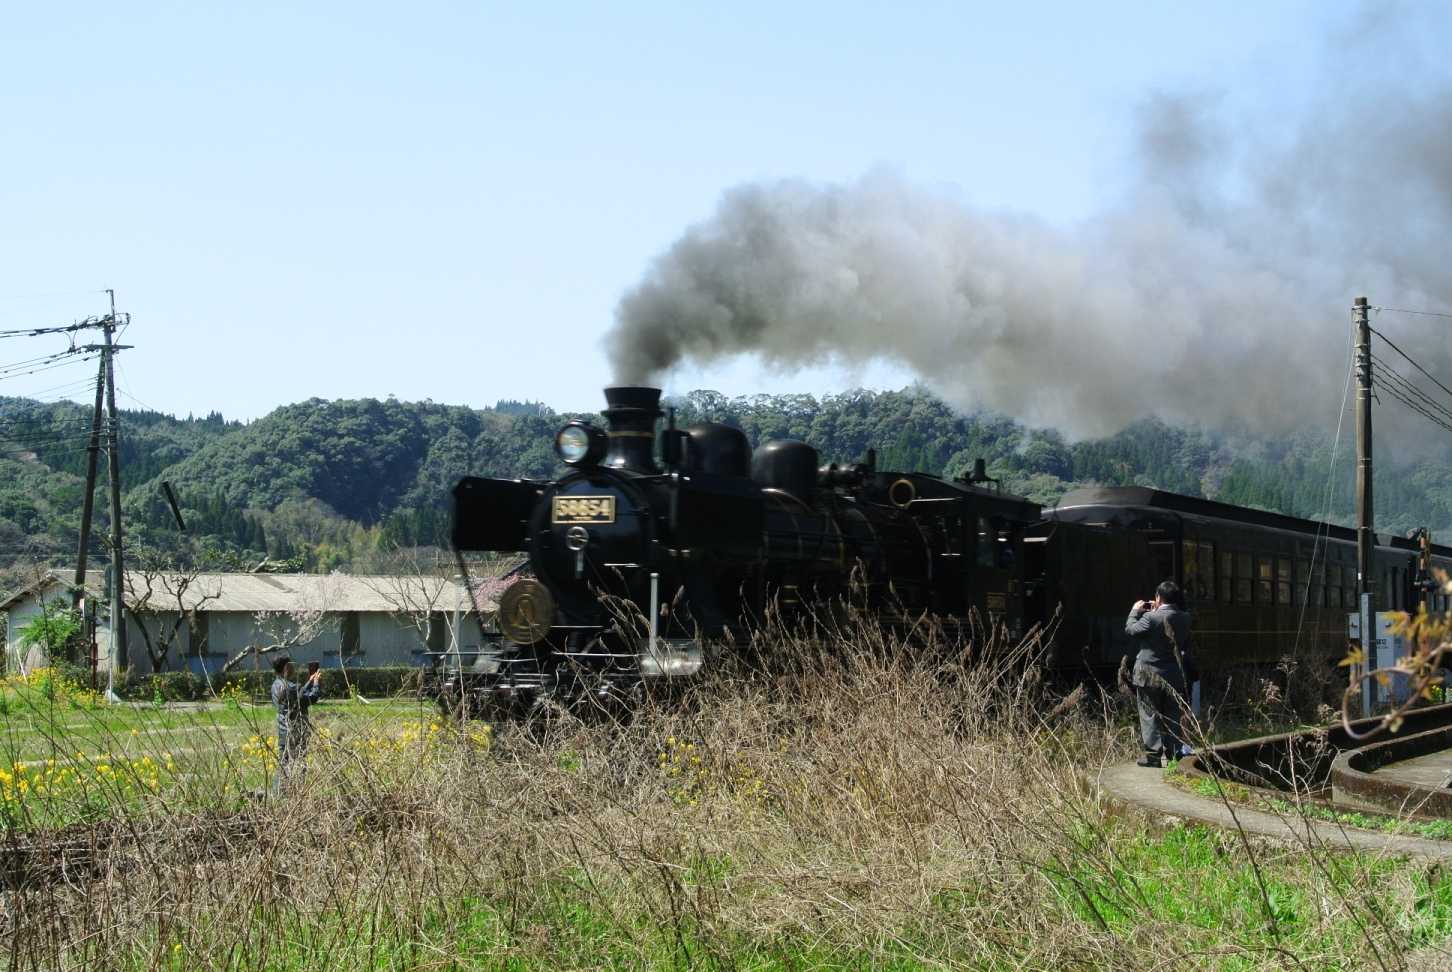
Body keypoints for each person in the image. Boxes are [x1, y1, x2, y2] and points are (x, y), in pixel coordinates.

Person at [1125, 580, 1193, 768]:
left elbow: (1131, 629)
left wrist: (1135, 611)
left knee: (1149, 715)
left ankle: (1153, 755)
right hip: (1174, 675)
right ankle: (1174, 753)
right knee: (1172, 714)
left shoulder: (1151, 618)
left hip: (1148, 675)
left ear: (1158, 597)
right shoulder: (1186, 617)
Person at [271, 655, 322, 793]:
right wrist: (316, 683)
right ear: (286, 667)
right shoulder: (291, 687)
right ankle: (298, 792)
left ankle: (277, 793)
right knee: (300, 762)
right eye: (291, 664)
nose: (294, 667)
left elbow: (297, 697)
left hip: (283, 730)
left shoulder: (276, 685)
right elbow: (312, 698)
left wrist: (309, 682)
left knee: (283, 763)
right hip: (296, 731)